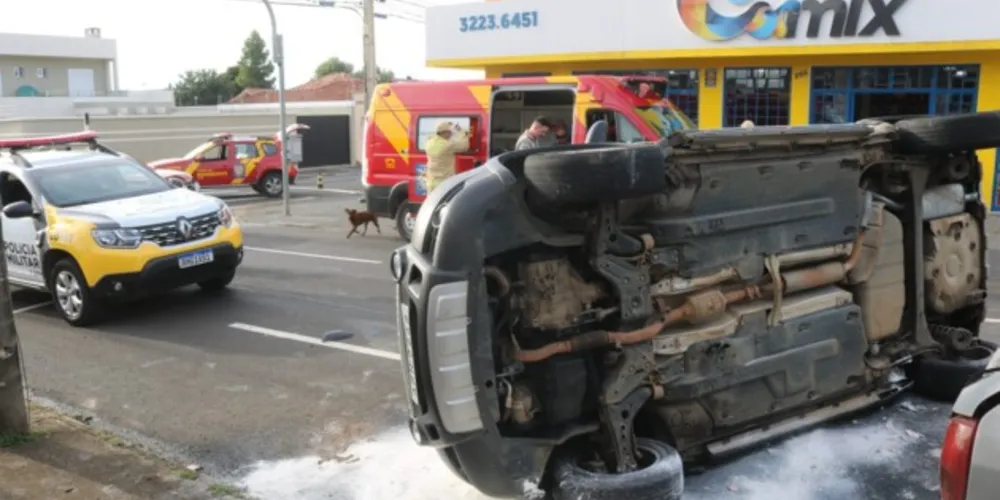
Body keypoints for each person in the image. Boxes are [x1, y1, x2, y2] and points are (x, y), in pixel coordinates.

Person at [424, 121, 470, 193]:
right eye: (450, 132)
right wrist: (462, 132)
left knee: (432, 199)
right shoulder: (447, 145)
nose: (451, 134)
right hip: (443, 182)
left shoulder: (430, 142)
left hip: (431, 181)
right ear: (444, 133)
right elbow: (465, 146)